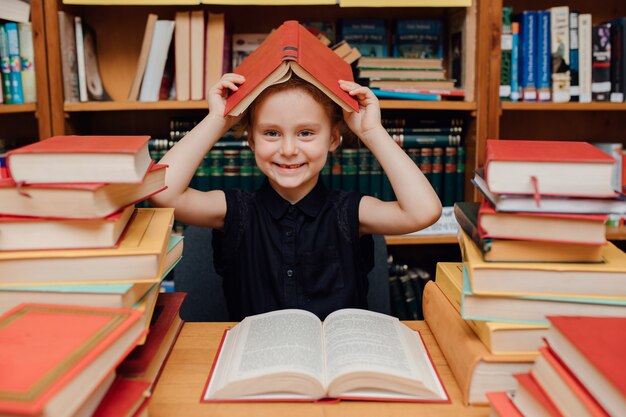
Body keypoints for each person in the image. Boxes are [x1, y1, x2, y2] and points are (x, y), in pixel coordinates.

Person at [150, 72, 442, 320]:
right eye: (271, 133)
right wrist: (218, 119)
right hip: (258, 370)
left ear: (333, 139)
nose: (288, 149)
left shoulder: (350, 211)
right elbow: (163, 191)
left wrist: (372, 131)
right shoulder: (236, 210)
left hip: (337, 371)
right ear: (251, 139)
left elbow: (423, 211)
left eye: (305, 133)